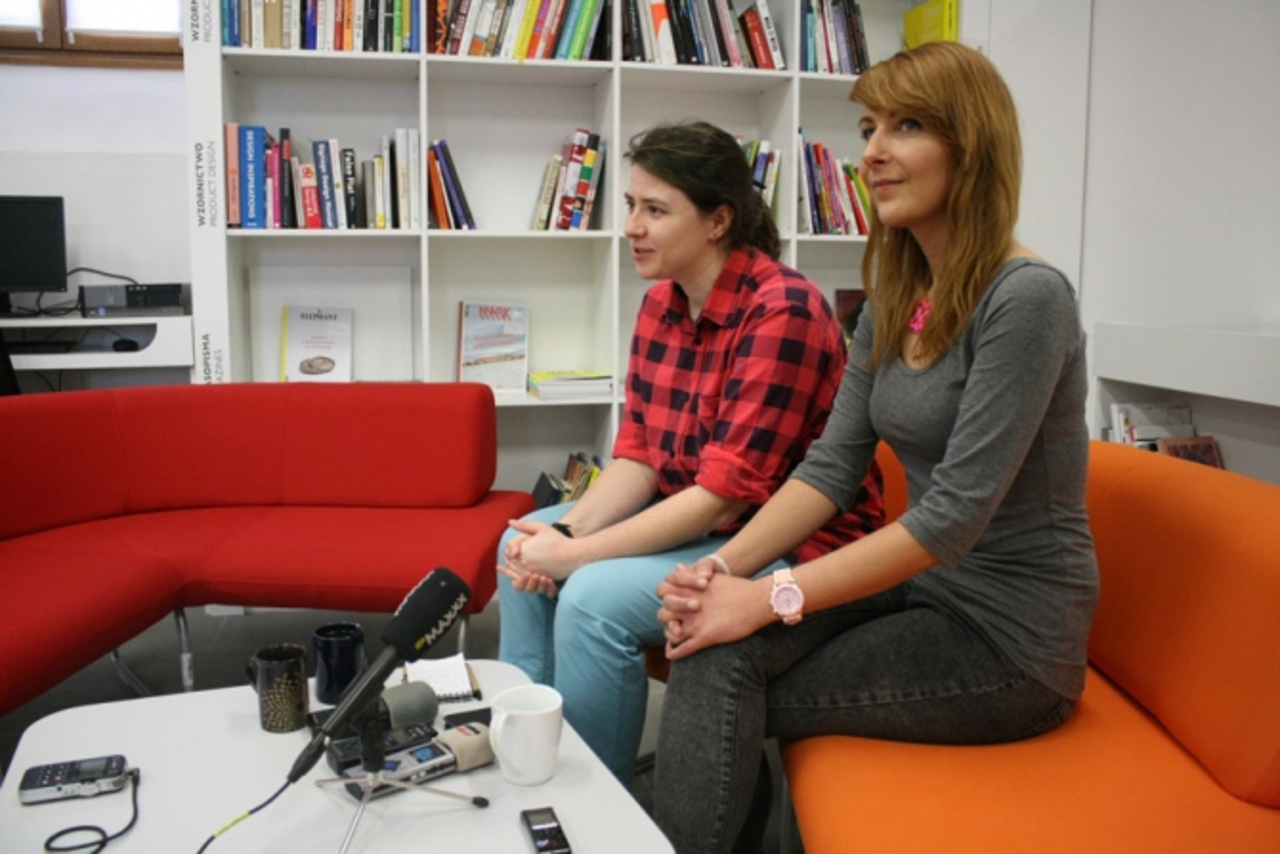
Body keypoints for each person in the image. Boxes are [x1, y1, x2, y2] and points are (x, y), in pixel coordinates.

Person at [651, 42, 1099, 853]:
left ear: (972, 146)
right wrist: (723, 571)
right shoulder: (896, 297)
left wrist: (769, 597)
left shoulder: (1028, 299)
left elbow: (950, 518)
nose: (873, 153)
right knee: (714, 648)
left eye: (908, 126)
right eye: (868, 128)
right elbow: (830, 466)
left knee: (724, 675)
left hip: (1009, 642)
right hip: (925, 592)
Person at [496, 120, 885, 785]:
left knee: (588, 596)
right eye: (630, 205)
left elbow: (724, 500)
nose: (631, 227)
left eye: (655, 210)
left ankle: (596, 803)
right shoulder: (660, 304)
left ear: (718, 220)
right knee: (520, 546)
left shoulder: (783, 309)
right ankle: (527, 762)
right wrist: (563, 533)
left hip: (786, 545)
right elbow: (639, 459)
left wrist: (576, 556)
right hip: (701, 522)